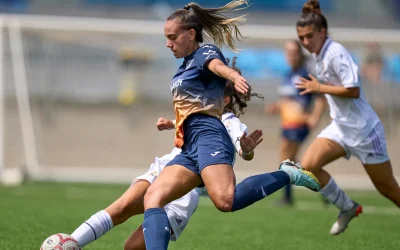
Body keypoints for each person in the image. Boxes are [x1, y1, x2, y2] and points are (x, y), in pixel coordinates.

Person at [141, 1, 321, 249]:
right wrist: (173, 123)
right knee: (153, 196)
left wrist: (235, 77)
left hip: (210, 138)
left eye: (172, 37)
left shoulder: (204, 54)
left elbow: (219, 67)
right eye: (166, 37)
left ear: (191, 34)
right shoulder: (182, 69)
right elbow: (196, 109)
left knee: (226, 201)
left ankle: (288, 174)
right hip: (189, 147)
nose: (167, 43)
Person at [68, 57, 265, 250]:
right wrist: (171, 123)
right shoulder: (197, 112)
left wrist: (246, 151)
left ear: (225, 100)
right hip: (168, 166)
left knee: (134, 247)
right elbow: (186, 121)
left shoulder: (229, 121)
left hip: (187, 191)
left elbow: (243, 148)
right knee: (122, 206)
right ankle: (69, 243)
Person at [294, 0, 400, 236]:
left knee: (388, 189)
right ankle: (348, 207)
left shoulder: (336, 53)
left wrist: (319, 87)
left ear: (322, 32)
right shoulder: (318, 52)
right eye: (301, 37)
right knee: (308, 166)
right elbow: (326, 87)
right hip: (340, 129)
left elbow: (354, 90)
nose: (305, 42)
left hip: (364, 131)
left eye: (310, 36)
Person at [267, 40, 325, 206]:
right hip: (287, 123)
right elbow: (289, 100)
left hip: (299, 123)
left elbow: (320, 96)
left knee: (287, 159)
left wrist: (314, 116)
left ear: (300, 54)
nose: (290, 56)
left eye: (294, 52)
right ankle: (325, 189)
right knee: (293, 160)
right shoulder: (288, 75)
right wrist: (276, 107)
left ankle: (288, 197)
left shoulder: (304, 74)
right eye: (288, 52)